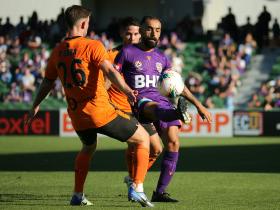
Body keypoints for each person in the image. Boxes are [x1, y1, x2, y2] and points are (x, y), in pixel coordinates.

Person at [25, 5, 154, 207]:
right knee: (142, 139)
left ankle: (77, 194)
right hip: (99, 112)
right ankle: (137, 188)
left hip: (77, 115)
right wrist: (128, 90)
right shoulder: (92, 45)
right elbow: (110, 71)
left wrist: (35, 106)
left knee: (88, 147)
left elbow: (47, 82)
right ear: (84, 23)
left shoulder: (57, 51)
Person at [114, 16, 212, 202]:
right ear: (142, 30)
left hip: (162, 101)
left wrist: (199, 105)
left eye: (158, 30)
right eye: (149, 29)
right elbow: (112, 74)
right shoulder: (127, 52)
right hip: (139, 101)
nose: (154, 33)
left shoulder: (162, 57)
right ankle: (176, 112)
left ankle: (159, 192)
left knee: (173, 143)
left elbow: (176, 84)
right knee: (150, 108)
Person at [106, 17, 163, 191]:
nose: (132, 38)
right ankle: (136, 185)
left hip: (141, 108)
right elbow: (105, 84)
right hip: (122, 109)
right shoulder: (110, 56)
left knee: (157, 149)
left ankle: (133, 178)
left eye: (136, 34)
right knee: (136, 144)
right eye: (128, 34)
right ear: (121, 33)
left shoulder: (148, 54)